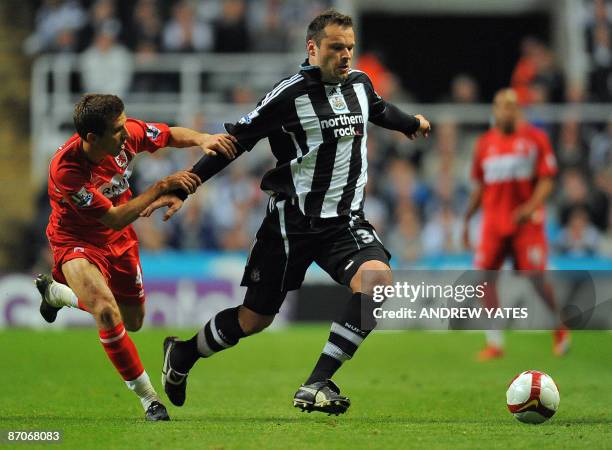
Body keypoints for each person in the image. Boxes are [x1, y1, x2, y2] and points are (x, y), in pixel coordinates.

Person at [144, 9, 431, 415]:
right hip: (289, 224)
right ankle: (184, 353)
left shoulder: (361, 84)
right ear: (313, 49)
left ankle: (317, 383)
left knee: (377, 282)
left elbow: (380, 110)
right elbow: (236, 141)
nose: (346, 55)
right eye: (336, 47)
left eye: (350, 47)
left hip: (344, 223)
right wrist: (188, 184)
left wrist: (410, 123)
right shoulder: (288, 95)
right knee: (254, 319)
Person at [35, 93, 237, 420]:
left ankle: (57, 295)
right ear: (91, 138)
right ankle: (149, 400)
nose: (126, 133)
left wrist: (203, 138)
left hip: (120, 241)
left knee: (133, 322)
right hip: (76, 240)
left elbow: (168, 134)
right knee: (105, 311)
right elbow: (113, 215)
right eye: (117, 130)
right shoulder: (67, 170)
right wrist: (160, 187)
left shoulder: (125, 135)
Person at [462, 88, 570, 361]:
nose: (505, 111)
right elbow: (481, 186)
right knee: (484, 279)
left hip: (526, 222)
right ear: (495, 110)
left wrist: (531, 207)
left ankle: (559, 328)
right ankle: (495, 343)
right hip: (493, 224)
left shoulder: (535, 139)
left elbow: (547, 178)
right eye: (501, 106)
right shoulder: (485, 144)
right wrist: (466, 219)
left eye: (511, 106)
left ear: (517, 110)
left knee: (535, 277)